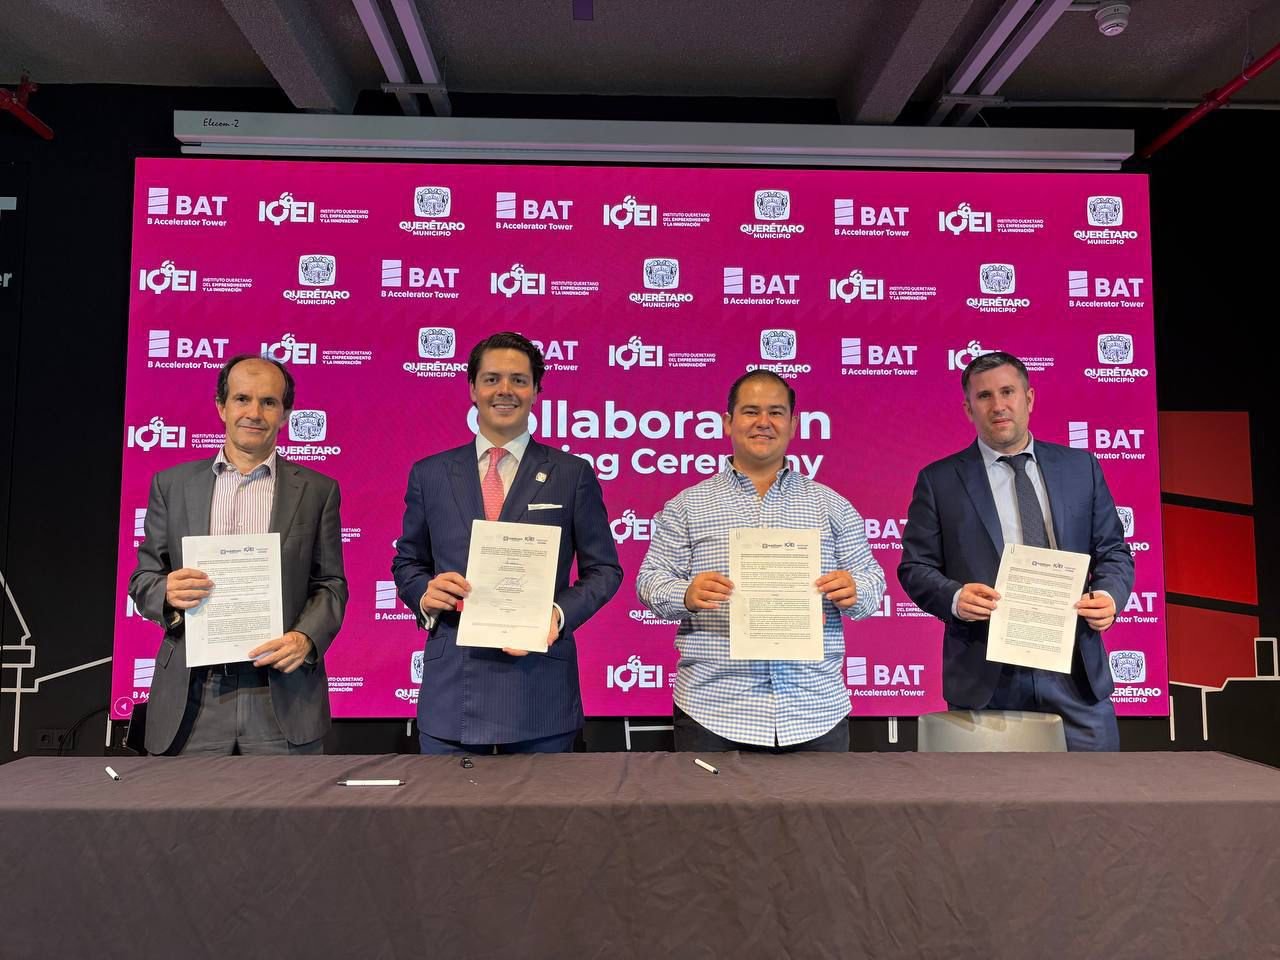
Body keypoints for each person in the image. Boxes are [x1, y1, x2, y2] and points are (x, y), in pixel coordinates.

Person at [392, 332, 622, 754]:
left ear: (536, 391)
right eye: (491, 379)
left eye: (518, 380)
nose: (505, 390)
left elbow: (604, 569)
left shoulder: (572, 474)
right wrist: (424, 593)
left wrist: (557, 614)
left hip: (540, 689)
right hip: (452, 691)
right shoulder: (430, 474)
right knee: (446, 801)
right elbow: (407, 562)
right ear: (472, 389)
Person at [636, 370, 885, 752]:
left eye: (776, 412)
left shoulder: (832, 506)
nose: (763, 422)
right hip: (715, 710)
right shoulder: (687, 506)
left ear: (793, 424)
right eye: (751, 411)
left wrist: (855, 590)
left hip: (814, 709)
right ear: (728, 422)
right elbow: (650, 580)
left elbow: (872, 583)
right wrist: (686, 593)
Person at [897, 351, 1134, 751]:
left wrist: (1110, 596)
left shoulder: (1081, 468)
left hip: (1075, 670)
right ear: (968, 409)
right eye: (984, 396)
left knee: (1097, 788)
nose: (998, 405)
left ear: (1029, 398)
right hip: (987, 673)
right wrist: (955, 597)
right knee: (995, 793)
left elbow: (1114, 552)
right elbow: (915, 567)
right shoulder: (939, 481)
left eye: (1007, 392)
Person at [129, 355, 347, 755]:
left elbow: (330, 584)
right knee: (185, 800)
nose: (254, 413)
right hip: (193, 695)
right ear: (221, 406)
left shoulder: (318, 491)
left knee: (286, 801)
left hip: (281, 693)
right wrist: (166, 592)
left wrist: (305, 637)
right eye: (242, 399)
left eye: (269, 402)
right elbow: (144, 578)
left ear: (285, 414)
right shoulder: (172, 486)